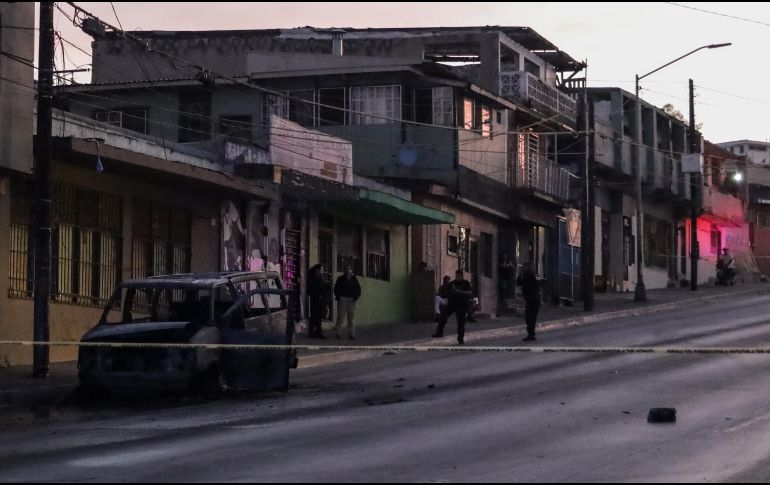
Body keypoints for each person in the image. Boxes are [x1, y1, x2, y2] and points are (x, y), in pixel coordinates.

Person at [432, 270, 473, 345]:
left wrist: (459, 292)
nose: (457, 277)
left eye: (459, 276)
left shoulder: (466, 283)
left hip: (462, 305)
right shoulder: (452, 283)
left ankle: (460, 339)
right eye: (456, 276)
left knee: (461, 323)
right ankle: (439, 332)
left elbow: (469, 292)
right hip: (452, 304)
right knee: (443, 317)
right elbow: (446, 291)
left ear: (461, 276)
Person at [334, 266, 362, 340]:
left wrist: (355, 297)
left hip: (352, 300)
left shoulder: (354, 279)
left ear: (351, 271)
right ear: (344, 271)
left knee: (351, 318)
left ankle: (351, 334)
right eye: (347, 269)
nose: (348, 271)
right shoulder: (340, 279)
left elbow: (358, 289)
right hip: (342, 299)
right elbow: (336, 288)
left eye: (349, 269)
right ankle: (338, 333)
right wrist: (339, 297)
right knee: (340, 317)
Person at [516, 262, 542, 342]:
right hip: (534, 298)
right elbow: (518, 283)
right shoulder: (534, 274)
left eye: (524, 267)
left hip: (532, 298)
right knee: (532, 317)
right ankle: (532, 334)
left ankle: (531, 334)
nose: (523, 268)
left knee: (529, 317)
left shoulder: (528, 275)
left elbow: (518, 283)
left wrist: (521, 274)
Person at [307, 264, 326, 339]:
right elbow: (310, 289)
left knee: (319, 317)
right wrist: (318, 295)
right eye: (321, 269)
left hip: (320, 301)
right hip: (315, 300)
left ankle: (318, 332)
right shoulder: (313, 278)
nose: (322, 271)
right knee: (314, 316)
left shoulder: (321, 278)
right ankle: (312, 333)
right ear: (318, 270)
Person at [497, 251, 515, 317]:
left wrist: (509, 266)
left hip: (506, 279)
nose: (505, 256)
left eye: (506, 255)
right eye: (504, 255)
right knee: (502, 292)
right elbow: (501, 267)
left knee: (505, 293)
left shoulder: (508, 261)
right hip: (502, 278)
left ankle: (504, 306)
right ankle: (501, 307)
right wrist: (507, 266)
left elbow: (510, 268)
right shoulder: (500, 261)